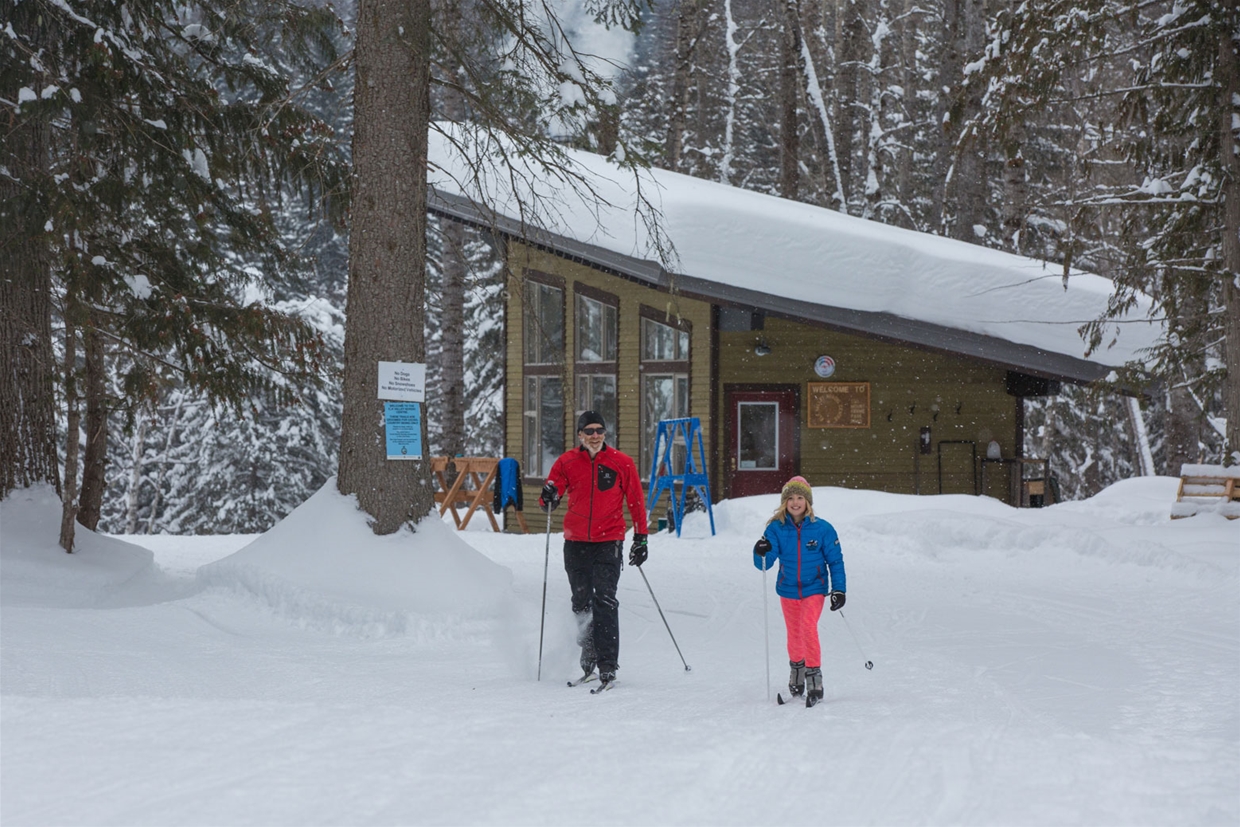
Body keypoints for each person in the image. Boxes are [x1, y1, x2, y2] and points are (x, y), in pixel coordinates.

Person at [539, 411, 649, 689]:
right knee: (581, 601)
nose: (596, 435)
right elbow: (550, 499)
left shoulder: (621, 462)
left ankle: (608, 665)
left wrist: (641, 538)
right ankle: (588, 658)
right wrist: (549, 496)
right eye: (589, 431)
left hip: (609, 541)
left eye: (600, 430)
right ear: (580, 435)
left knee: (605, 600)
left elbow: (636, 501)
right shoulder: (566, 462)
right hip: (575, 542)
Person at [753, 476, 846, 706]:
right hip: (788, 589)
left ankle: (814, 678)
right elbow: (764, 564)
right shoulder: (775, 528)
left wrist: (839, 590)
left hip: (814, 588)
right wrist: (760, 551)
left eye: (800, 498)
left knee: (807, 626)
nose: (795, 502)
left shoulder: (823, 529)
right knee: (794, 634)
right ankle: (797, 675)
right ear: (785, 502)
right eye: (791, 498)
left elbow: (836, 561)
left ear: (808, 502)